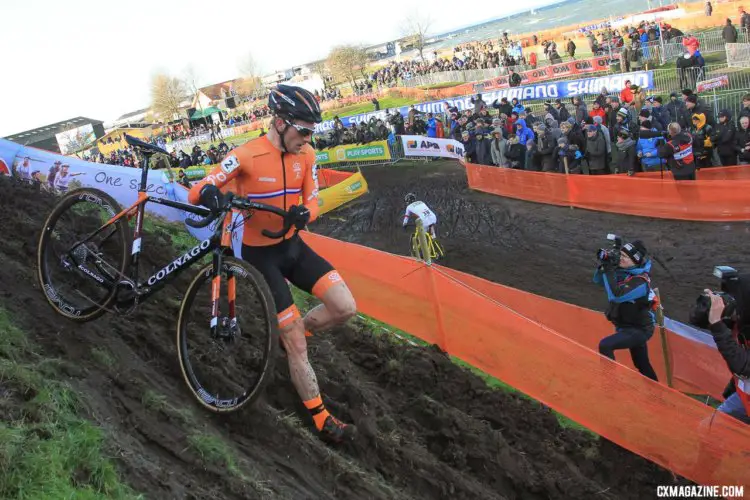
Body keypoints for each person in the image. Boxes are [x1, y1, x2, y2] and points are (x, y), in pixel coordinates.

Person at [187, 84, 357, 444]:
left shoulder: (306, 155)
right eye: (304, 130)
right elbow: (199, 187)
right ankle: (320, 417)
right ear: (280, 123)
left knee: (345, 307)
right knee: (295, 338)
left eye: (312, 131)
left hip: (292, 247)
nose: (308, 138)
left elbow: (313, 201)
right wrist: (211, 193)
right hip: (259, 255)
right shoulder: (246, 155)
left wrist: (304, 212)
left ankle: (294, 336)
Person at [593, 239, 659, 381]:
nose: (620, 258)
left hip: (639, 329)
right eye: (620, 254)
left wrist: (609, 268)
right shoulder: (625, 272)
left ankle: (609, 387)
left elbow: (616, 296)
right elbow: (599, 281)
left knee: (605, 345)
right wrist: (606, 264)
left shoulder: (641, 281)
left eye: (624, 256)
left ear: (634, 261)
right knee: (642, 364)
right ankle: (660, 397)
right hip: (626, 326)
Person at [704, 285, 750, 424]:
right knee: (708, 428)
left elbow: (743, 365)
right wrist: (711, 307)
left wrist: (717, 324)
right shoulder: (742, 324)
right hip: (744, 397)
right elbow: (696, 320)